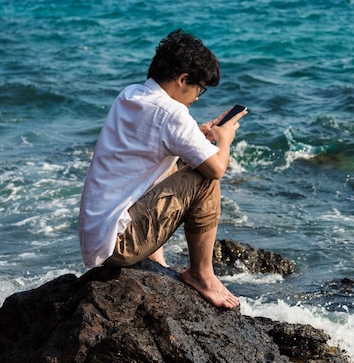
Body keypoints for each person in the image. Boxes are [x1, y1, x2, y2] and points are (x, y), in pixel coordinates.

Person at [78, 29, 246, 309]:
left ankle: (154, 257)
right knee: (204, 178)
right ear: (183, 80)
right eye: (199, 89)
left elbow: (151, 145)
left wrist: (197, 133)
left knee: (179, 160)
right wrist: (224, 141)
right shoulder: (172, 114)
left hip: (99, 236)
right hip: (119, 246)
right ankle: (201, 274)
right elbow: (216, 169)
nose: (197, 97)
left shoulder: (130, 95)